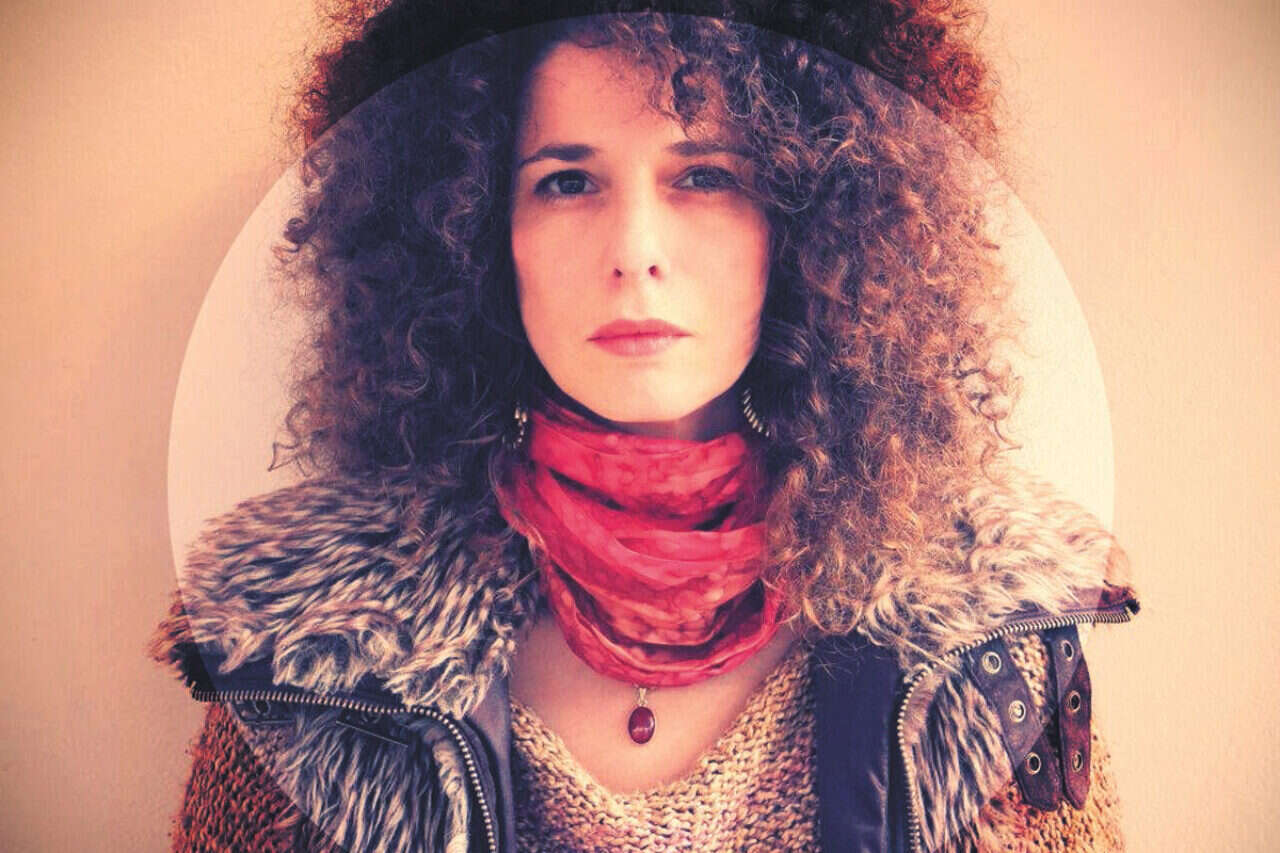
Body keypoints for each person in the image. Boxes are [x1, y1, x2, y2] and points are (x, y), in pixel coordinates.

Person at [149, 3, 1140, 851]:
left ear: (804, 221)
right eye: (566, 180)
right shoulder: (305, 654)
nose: (634, 250)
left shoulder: (994, 645)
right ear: (478, 231)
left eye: (703, 175)